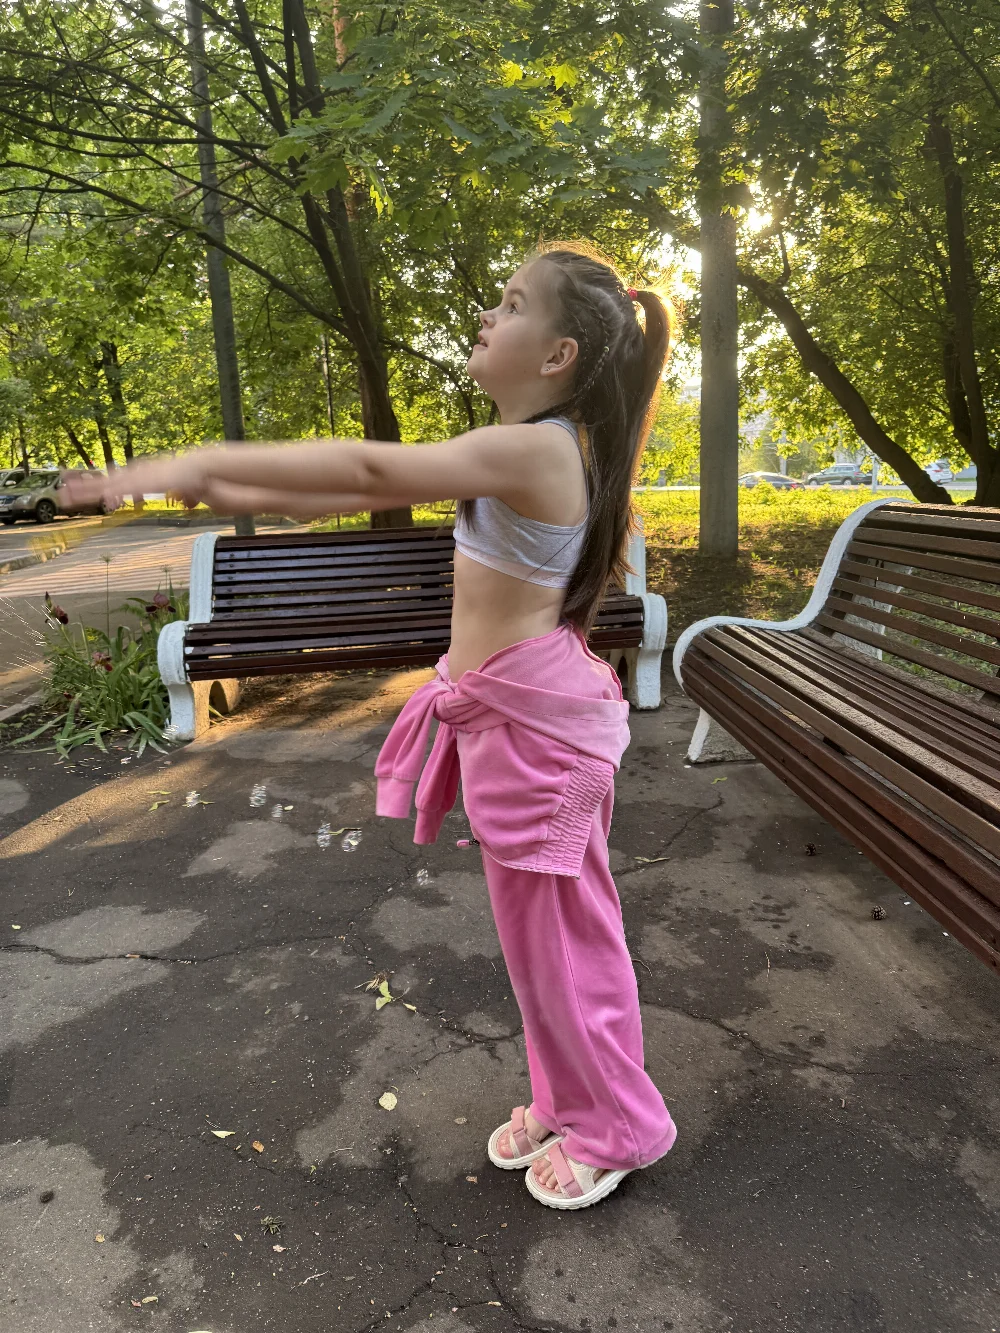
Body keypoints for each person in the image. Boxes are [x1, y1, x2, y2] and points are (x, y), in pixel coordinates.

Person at [64, 242, 678, 1209]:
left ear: (558, 355)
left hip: (539, 738)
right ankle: (570, 1098)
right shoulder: (538, 444)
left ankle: (620, 1125)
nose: (487, 315)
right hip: (517, 727)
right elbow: (359, 483)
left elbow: (361, 469)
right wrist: (227, 483)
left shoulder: (540, 448)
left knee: (567, 945)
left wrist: (202, 466)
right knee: (538, 948)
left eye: (512, 302)